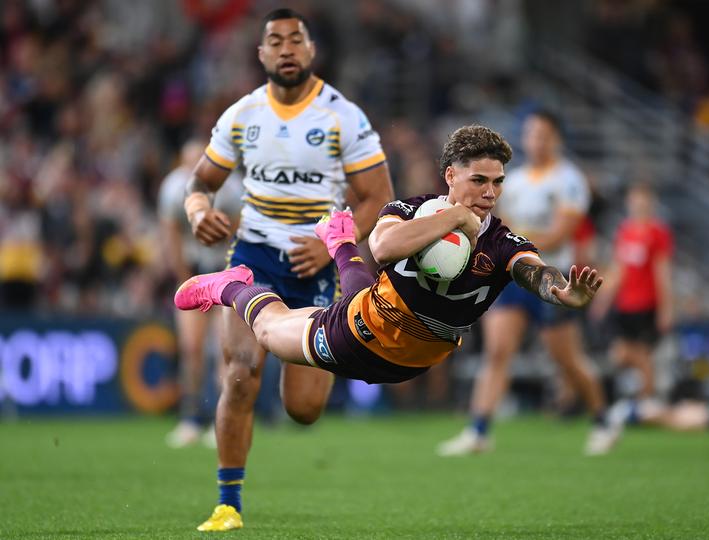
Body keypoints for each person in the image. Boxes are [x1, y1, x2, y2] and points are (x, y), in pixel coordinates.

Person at [175, 124, 603, 498]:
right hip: (356, 333)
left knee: (365, 303)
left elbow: (535, 272)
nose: (490, 193)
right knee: (270, 333)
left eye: (498, 182)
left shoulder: (503, 244)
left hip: (411, 361)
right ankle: (231, 285)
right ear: (450, 176)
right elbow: (382, 247)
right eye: (478, 180)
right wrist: (453, 217)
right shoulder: (407, 209)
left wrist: (561, 291)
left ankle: (339, 243)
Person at [183, 9, 393, 532]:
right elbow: (200, 183)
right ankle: (227, 503)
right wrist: (197, 214)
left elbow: (378, 198)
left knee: (303, 410)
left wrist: (331, 247)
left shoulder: (343, 116)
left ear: (310, 50)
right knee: (239, 373)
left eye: (294, 40)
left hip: (314, 264)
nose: (285, 49)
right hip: (254, 255)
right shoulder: (242, 114)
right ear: (261, 54)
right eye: (274, 41)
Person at [437, 110, 613, 457]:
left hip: (551, 277)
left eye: (544, 134)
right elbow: (501, 227)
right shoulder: (511, 181)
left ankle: (602, 420)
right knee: (498, 352)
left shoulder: (569, 180)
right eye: (532, 134)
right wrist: (513, 241)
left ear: (556, 139)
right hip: (513, 276)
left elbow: (561, 233)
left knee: (567, 359)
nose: (537, 141)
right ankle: (479, 430)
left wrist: (518, 238)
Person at [158, 139, 242, 448]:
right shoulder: (172, 189)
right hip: (193, 272)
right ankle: (190, 418)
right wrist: (185, 281)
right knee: (191, 348)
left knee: (223, 350)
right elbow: (171, 240)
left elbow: (238, 237)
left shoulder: (230, 190)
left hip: (222, 273)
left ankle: (221, 421)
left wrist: (229, 280)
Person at [590, 182, 674, 400]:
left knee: (642, 354)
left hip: (646, 304)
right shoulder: (625, 231)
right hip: (625, 304)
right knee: (621, 354)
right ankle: (645, 396)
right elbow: (619, 270)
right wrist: (603, 300)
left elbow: (662, 272)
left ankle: (646, 400)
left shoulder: (657, 233)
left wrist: (666, 308)